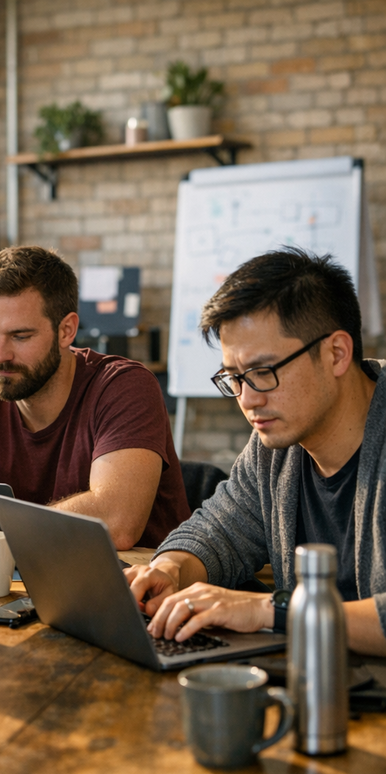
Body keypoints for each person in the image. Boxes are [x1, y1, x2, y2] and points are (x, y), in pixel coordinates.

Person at [127, 246, 386, 656]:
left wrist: (270, 610)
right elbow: (220, 529)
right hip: (320, 685)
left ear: (337, 353)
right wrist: (169, 570)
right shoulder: (277, 445)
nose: (247, 399)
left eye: (263, 373)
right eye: (234, 377)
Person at [0, 245, 190, 549]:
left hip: (141, 585)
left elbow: (117, 523)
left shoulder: (124, 386)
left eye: (21, 336)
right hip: (29, 576)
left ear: (66, 330)